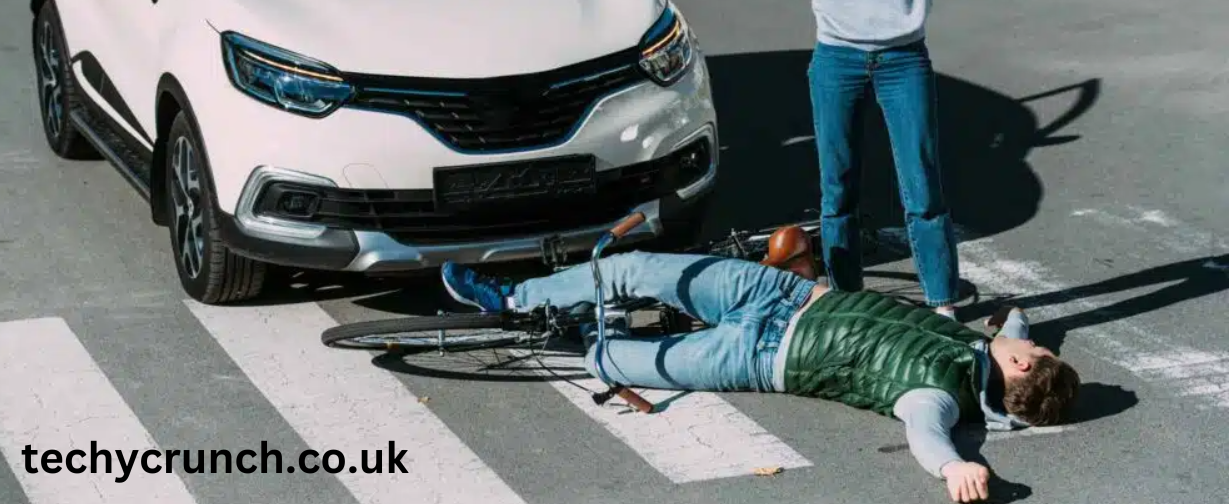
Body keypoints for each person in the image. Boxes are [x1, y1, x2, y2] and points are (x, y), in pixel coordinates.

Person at [439, 243, 1080, 503]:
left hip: (756, 358)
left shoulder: (935, 399)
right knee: (633, 267)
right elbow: (1018, 331)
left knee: (611, 359)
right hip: (779, 295)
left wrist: (955, 468)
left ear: (1022, 367)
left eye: (1032, 352)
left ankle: (565, 330)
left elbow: (926, 438)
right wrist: (1018, 316)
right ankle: (515, 297)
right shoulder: (990, 350)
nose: (1019, 342)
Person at [750, 0, 960, 317]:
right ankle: (846, 304)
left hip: (902, 58)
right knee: (837, 189)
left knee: (922, 185)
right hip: (837, 58)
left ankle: (942, 303)